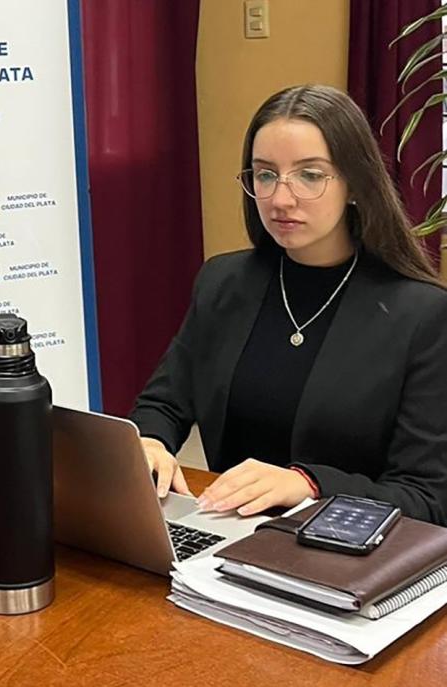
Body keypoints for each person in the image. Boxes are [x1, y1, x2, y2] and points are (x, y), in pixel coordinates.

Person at [130, 84, 447, 525]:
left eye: (310, 175)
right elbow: (164, 403)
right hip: (228, 535)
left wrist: (309, 483)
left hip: (346, 559)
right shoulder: (223, 282)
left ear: (355, 184)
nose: (281, 199)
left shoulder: (423, 315)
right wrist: (149, 442)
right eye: (264, 174)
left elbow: (429, 500)